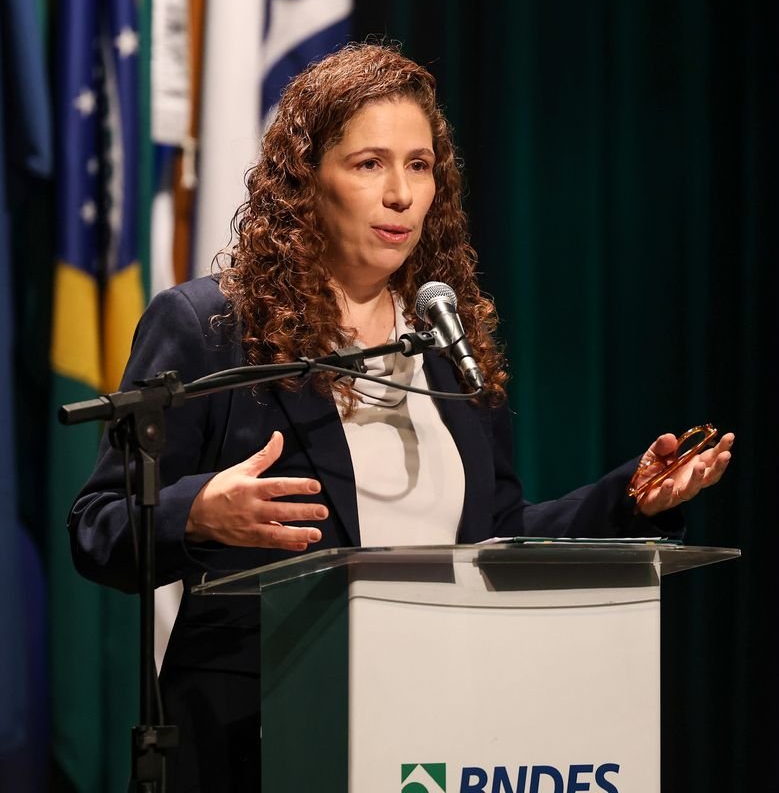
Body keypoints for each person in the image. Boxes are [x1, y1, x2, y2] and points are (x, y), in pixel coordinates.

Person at [68, 43, 734, 792]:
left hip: (430, 729)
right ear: (305, 180)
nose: (401, 195)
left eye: (420, 166)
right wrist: (196, 514)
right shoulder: (212, 327)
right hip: (257, 739)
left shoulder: (446, 337)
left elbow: (491, 537)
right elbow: (99, 530)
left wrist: (628, 501)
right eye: (369, 164)